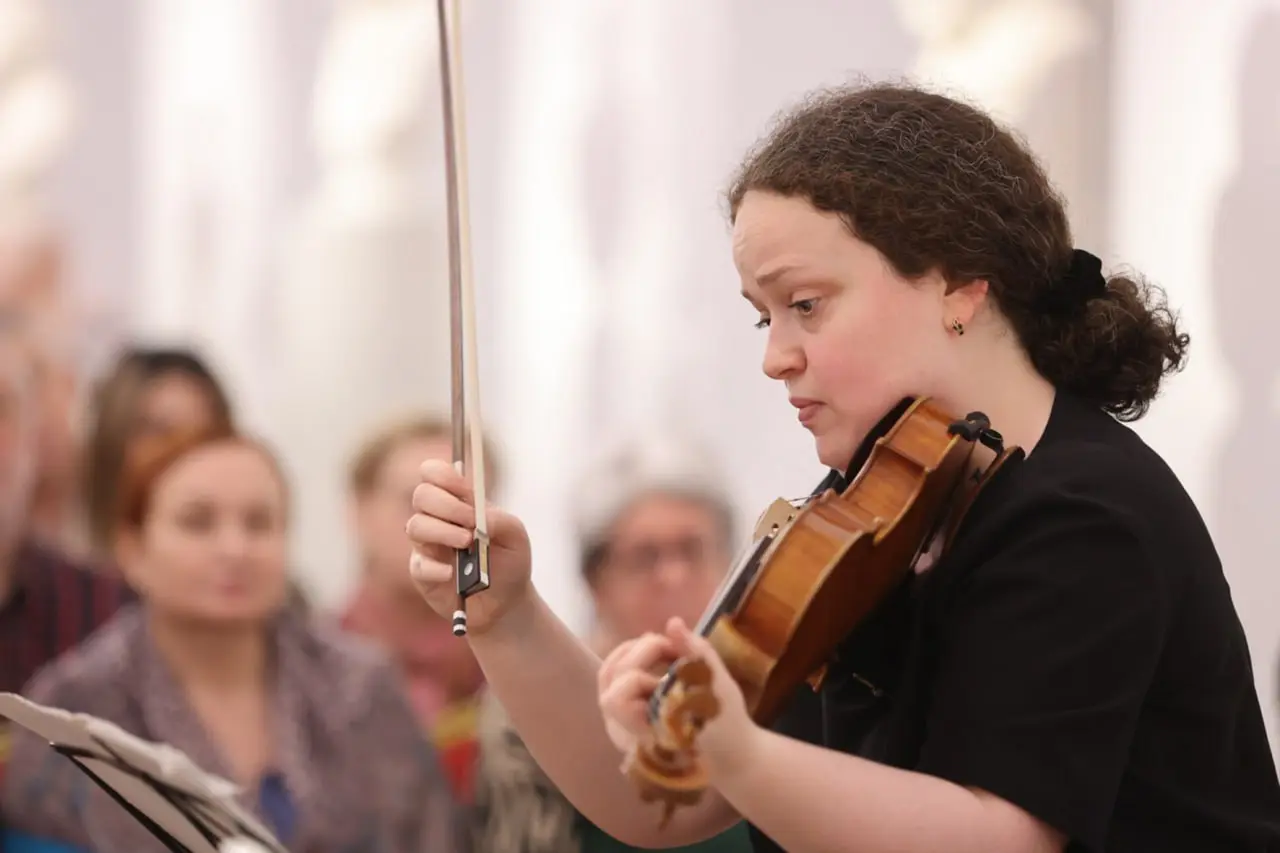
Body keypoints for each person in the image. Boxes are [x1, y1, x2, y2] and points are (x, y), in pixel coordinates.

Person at [404, 81, 1280, 852]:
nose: (776, 356)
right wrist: (506, 619)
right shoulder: (874, 504)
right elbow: (665, 803)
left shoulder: (1084, 514)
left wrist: (739, 749)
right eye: (764, 317)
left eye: (806, 306)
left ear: (960, 286)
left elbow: (997, 834)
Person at [3, 426, 462, 853]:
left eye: (260, 523)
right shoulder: (71, 705)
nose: (234, 549)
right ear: (133, 548)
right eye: (198, 522)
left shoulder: (361, 686)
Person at [471, 434, 753, 853]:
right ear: (594, 581)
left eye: (692, 550)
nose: (673, 577)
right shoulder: (529, 706)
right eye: (645, 557)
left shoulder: (770, 685)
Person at [341, 413, 497, 802]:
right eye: (416, 501)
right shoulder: (305, 671)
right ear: (359, 512)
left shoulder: (516, 675)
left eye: (465, 506)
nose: (443, 526)